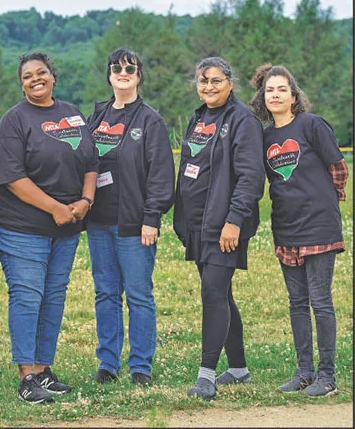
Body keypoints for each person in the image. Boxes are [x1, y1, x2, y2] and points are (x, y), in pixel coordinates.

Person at [0, 53, 99, 404]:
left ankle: (44, 369)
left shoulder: (72, 114)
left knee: (53, 295)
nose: (35, 79)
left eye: (41, 72)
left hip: (65, 225)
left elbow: (91, 162)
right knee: (28, 294)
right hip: (19, 224)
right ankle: (27, 377)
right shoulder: (13, 121)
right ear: (21, 84)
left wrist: (86, 200)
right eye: (27, 76)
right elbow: (12, 177)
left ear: (53, 76)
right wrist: (55, 208)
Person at [250, 64, 348, 397]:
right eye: (269, 90)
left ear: (294, 95)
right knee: (297, 303)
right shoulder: (264, 137)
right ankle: (304, 373)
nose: (275, 95)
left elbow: (338, 167)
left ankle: (327, 377)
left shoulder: (311, 125)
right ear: (263, 98)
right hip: (286, 227)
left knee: (321, 301)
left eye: (282, 89)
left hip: (319, 226)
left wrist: (325, 202)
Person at [173, 57, 265, 401]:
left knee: (212, 293)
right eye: (203, 81)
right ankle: (238, 369)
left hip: (225, 226)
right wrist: (182, 219)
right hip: (199, 224)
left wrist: (234, 221)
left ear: (230, 82)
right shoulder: (199, 118)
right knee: (221, 294)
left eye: (215, 80)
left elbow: (251, 177)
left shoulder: (242, 119)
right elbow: (189, 168)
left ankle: (206, 376)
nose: (208, 87)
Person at [85, 48, 175, 386]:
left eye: (129, 68)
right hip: (98, 223)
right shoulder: (97, 116)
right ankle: (108, 362)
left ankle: (140, 366)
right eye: (116, 68)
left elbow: (161, 174)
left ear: (139, 75)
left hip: (134, 225)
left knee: (138, 295)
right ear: (109, 75)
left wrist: (152, 218)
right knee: (106, 294)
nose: (122, 73)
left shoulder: (150, 120)